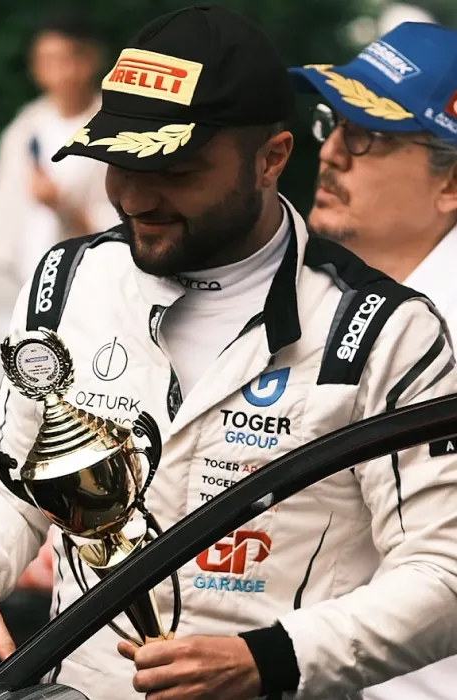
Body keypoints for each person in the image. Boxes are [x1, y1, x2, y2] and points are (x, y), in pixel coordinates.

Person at [0, 6, 457, 700]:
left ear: (273, 158)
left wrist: (270, 659)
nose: (135, 196)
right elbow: (7, 482)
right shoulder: (66, 283)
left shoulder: (387, 331)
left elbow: (444, 571)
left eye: (176, 169)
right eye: (116, 161)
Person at [290, 20, 457, 700]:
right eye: (333, 122)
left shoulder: (442, 336)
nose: (330, 153)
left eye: (370, 136)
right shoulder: (339, 299)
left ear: (451, 187)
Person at [0, 8, 119, 282]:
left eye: (63, 59)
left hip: (85, 282)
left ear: (90, 59)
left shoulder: (114, 127)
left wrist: (62, 206)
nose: (54, 71)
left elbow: (125, 223)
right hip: (20, 280)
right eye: (45, 60)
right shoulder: (24, 127)